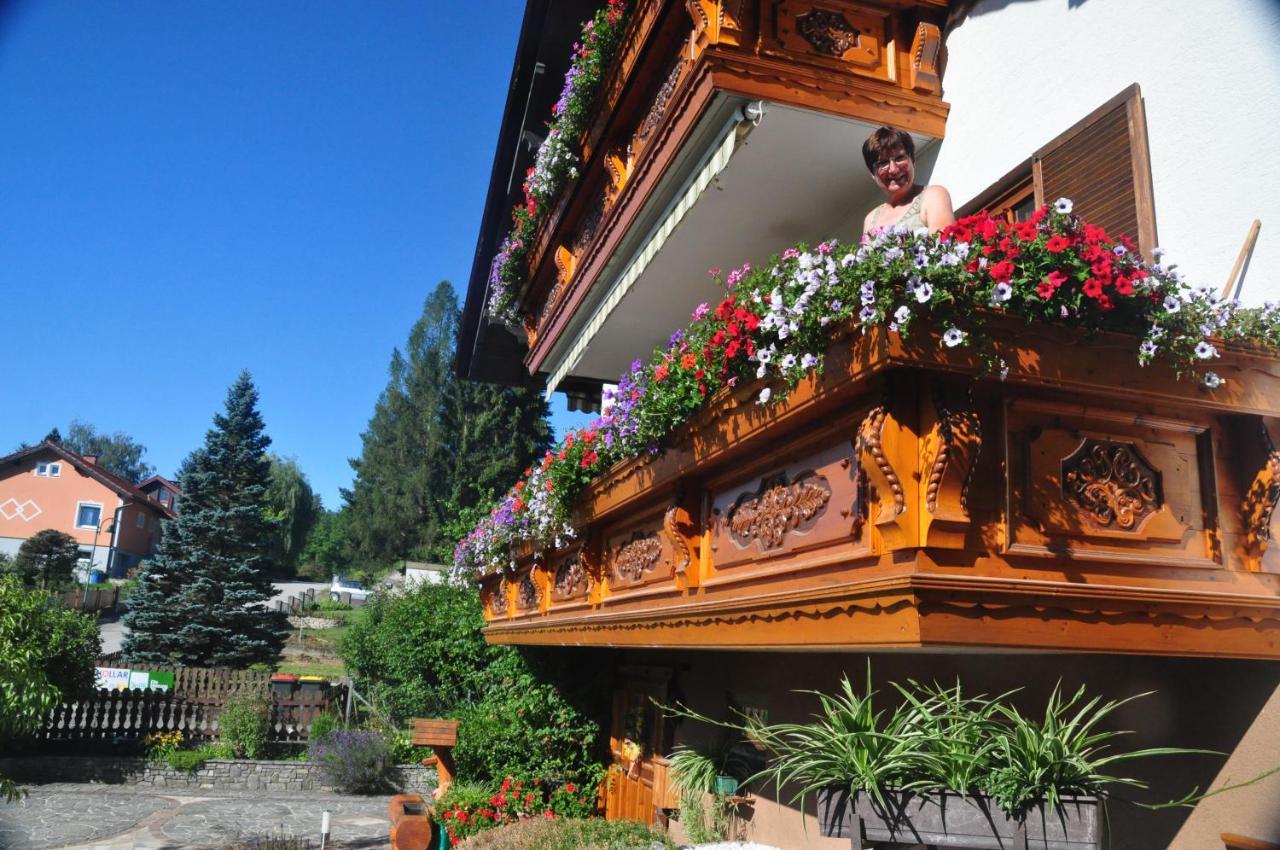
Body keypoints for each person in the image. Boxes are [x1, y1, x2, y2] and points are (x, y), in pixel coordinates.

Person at [860, 126, 955, 237]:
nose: (893, 169)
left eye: (900, 158)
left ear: (913, 161)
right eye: (883, 163)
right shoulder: (871, 219)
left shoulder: (933, 196)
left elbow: (945, 248)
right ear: (872, 173)